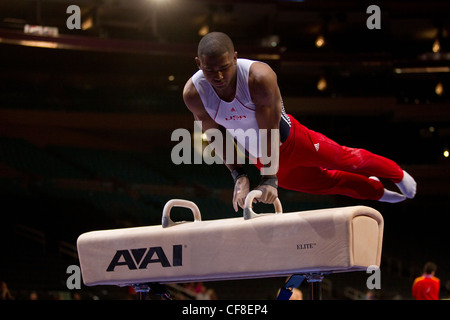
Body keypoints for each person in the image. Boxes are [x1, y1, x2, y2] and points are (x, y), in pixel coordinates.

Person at [183, 32, 417, 211]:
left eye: (224, 67)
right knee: (327, 183)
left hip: (294, 141)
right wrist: (239, 175)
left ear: (235, 58)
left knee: (347, 160)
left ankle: (397, 174)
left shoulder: (258, 78)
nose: (219, 76)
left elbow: (269, 130)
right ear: (197, 64)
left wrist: (269, 178)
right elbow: (216, 137)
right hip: (259, 158)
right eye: (210, 70)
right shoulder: (194, 93)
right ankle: (375, 190)